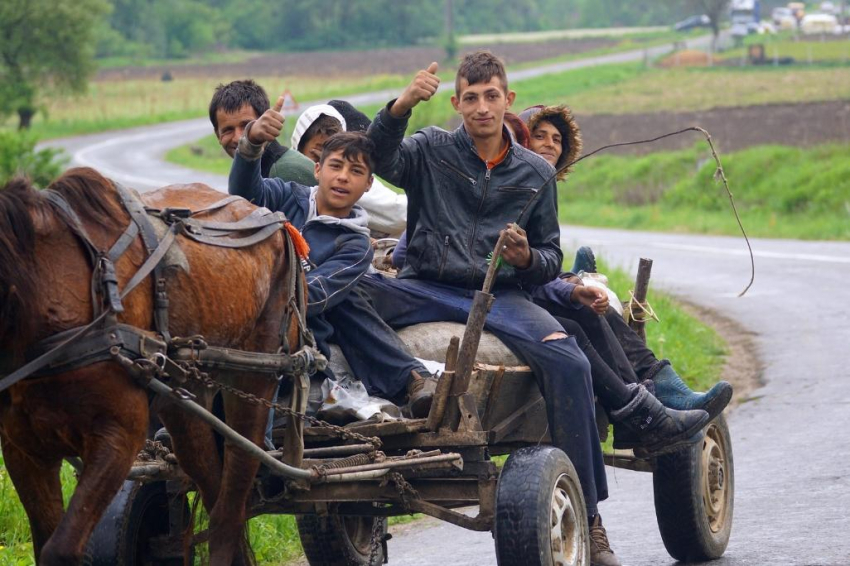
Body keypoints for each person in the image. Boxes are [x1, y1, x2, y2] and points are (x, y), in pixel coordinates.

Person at [362, 51, 708, 566]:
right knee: (345, 295)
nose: (482, 107)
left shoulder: (534, 172)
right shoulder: (430, 149)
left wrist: (527, 258)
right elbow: (380, 158)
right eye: (472, 98)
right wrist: (402, 105)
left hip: (502, 296)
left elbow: (550, 257)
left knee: (568, 361)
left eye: (492, 96)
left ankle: (589, 518)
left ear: (509, 100)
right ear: (457, 103)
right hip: (424, 286)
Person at [518, 104, 733, 425]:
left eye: (557, 139)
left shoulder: (542, 189)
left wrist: (567, 281)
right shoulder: (516, 186)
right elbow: (524, 268)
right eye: (539, 136)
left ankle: (657, 384)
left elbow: (538, 260)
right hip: (516, 298)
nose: (550, 143)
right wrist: (567, 289)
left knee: (586, 296)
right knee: (585, 311)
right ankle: (649, 393)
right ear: (522, 141)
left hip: (531, 289)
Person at [227, 100, 436, 418]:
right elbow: (246, 193)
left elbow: (314, 295)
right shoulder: (288, 196)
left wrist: (261, 302)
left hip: (292, 333)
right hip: (250, 305)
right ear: (317, 169)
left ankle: (260, 455)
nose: (342, 178)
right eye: (335, 166)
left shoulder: (355, 245)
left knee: (344, 298)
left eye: (356, 171)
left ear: (368, 185)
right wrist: (252, 142)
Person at [291, 102, 407, 237]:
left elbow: (399, 214)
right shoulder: (287, 190)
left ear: (368, 183)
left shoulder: (351, 187)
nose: (341, 176)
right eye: (317, 157)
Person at [209, 79, 317, 186]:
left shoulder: (286, 172)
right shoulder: (248, 173)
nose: (238, 138)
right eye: (228, 130)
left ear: (267, 121)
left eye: (247, 126)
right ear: (218, 134)